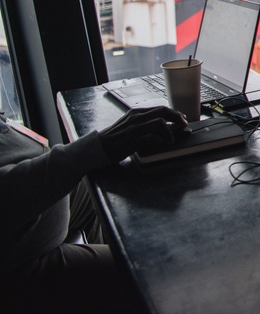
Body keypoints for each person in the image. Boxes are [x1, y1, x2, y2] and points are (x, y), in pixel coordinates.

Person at [1, 105, 187, 311]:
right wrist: (97, 147)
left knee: (108, 190)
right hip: (17, 260)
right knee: (160, 274)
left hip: (29, 203)